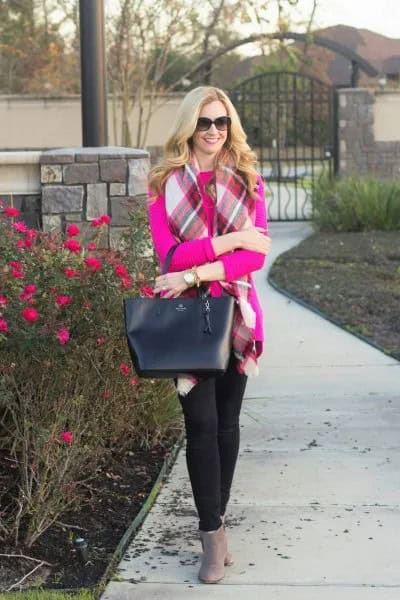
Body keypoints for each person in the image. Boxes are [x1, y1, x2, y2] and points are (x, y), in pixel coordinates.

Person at [147, 86, 272, 584]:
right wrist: (233, 239)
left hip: (237, 315)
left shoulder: (248, 178)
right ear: (188, 128)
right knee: (199, 426)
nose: (214, 131)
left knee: (226, 424)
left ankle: (217, 527)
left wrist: (195, 272)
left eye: (221, 122)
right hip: (187, 322)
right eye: (204, 123)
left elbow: (256, 256)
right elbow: (168, 256)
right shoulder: (164, 183)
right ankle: (211, 536)